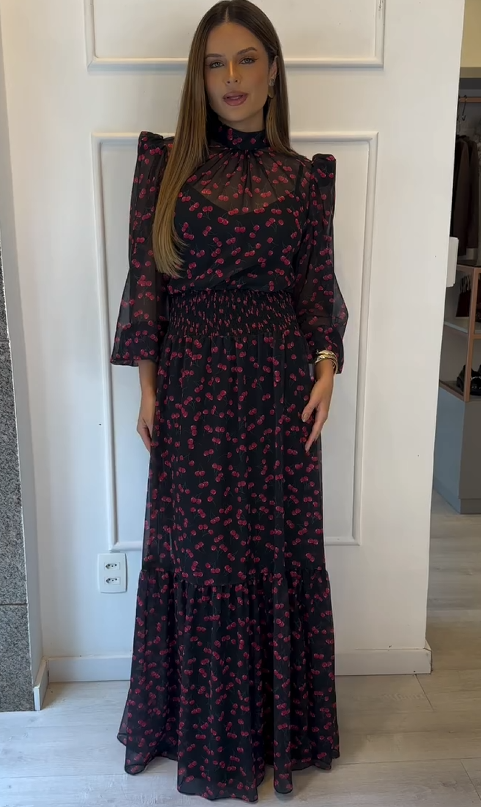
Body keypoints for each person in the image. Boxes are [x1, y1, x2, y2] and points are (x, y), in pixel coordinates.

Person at [110, 0, 348, 801]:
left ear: (273, 70)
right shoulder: (166, 167)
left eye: (247, 59)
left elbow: (314, 287)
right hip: (194, 388)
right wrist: (147, 386)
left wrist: (325, 367)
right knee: (203, 555)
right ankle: (202, 737)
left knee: (272, 551)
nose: (232, 77)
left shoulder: (303, 179)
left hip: (281, 390)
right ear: (198, 76)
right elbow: (147, 285)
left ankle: (280, 735)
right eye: (215, 63)